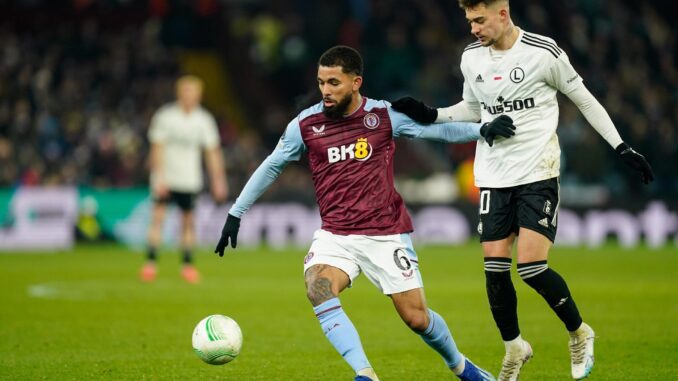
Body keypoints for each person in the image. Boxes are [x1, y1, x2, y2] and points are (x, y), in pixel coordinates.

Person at [214, 45, 515, 381]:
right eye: (321, 83)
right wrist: (236, 213)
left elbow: (436, 130)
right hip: (335, 236)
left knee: (416, 318)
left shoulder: (382, 116)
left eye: (334, 83)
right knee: (318, 287)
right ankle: (365, 373)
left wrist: (481, 130)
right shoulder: (306, 124)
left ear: (356, 82)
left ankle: (462, 367)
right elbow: (272, 165)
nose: (325, 91)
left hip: (385, 234)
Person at [390, 1, 655, 380]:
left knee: (531, 267)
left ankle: (579, 332)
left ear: (502, 13)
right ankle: (514, 347)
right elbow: (470, 108)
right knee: (495, 271)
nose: (473, 29)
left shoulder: (543, 53)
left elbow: (584, 98)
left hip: (537, 171)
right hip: (493, 175)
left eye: (479, 20)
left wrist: (620, 146)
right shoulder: (471, 57)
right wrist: (432, 113)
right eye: (469, 21)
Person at [141, 75, 228, 283]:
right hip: (166, 177)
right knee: (158, 218)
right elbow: (157, 148)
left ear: (199, 95)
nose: (189, 96)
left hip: (189, 179)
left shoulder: (204, 120)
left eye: (193, 92)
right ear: (179, 93)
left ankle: (187, 265)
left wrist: (218, 179)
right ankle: (150, 263)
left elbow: (212, 152)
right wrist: (158, 176)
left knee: (188, 222)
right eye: (186, 91)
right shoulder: (165, 116)